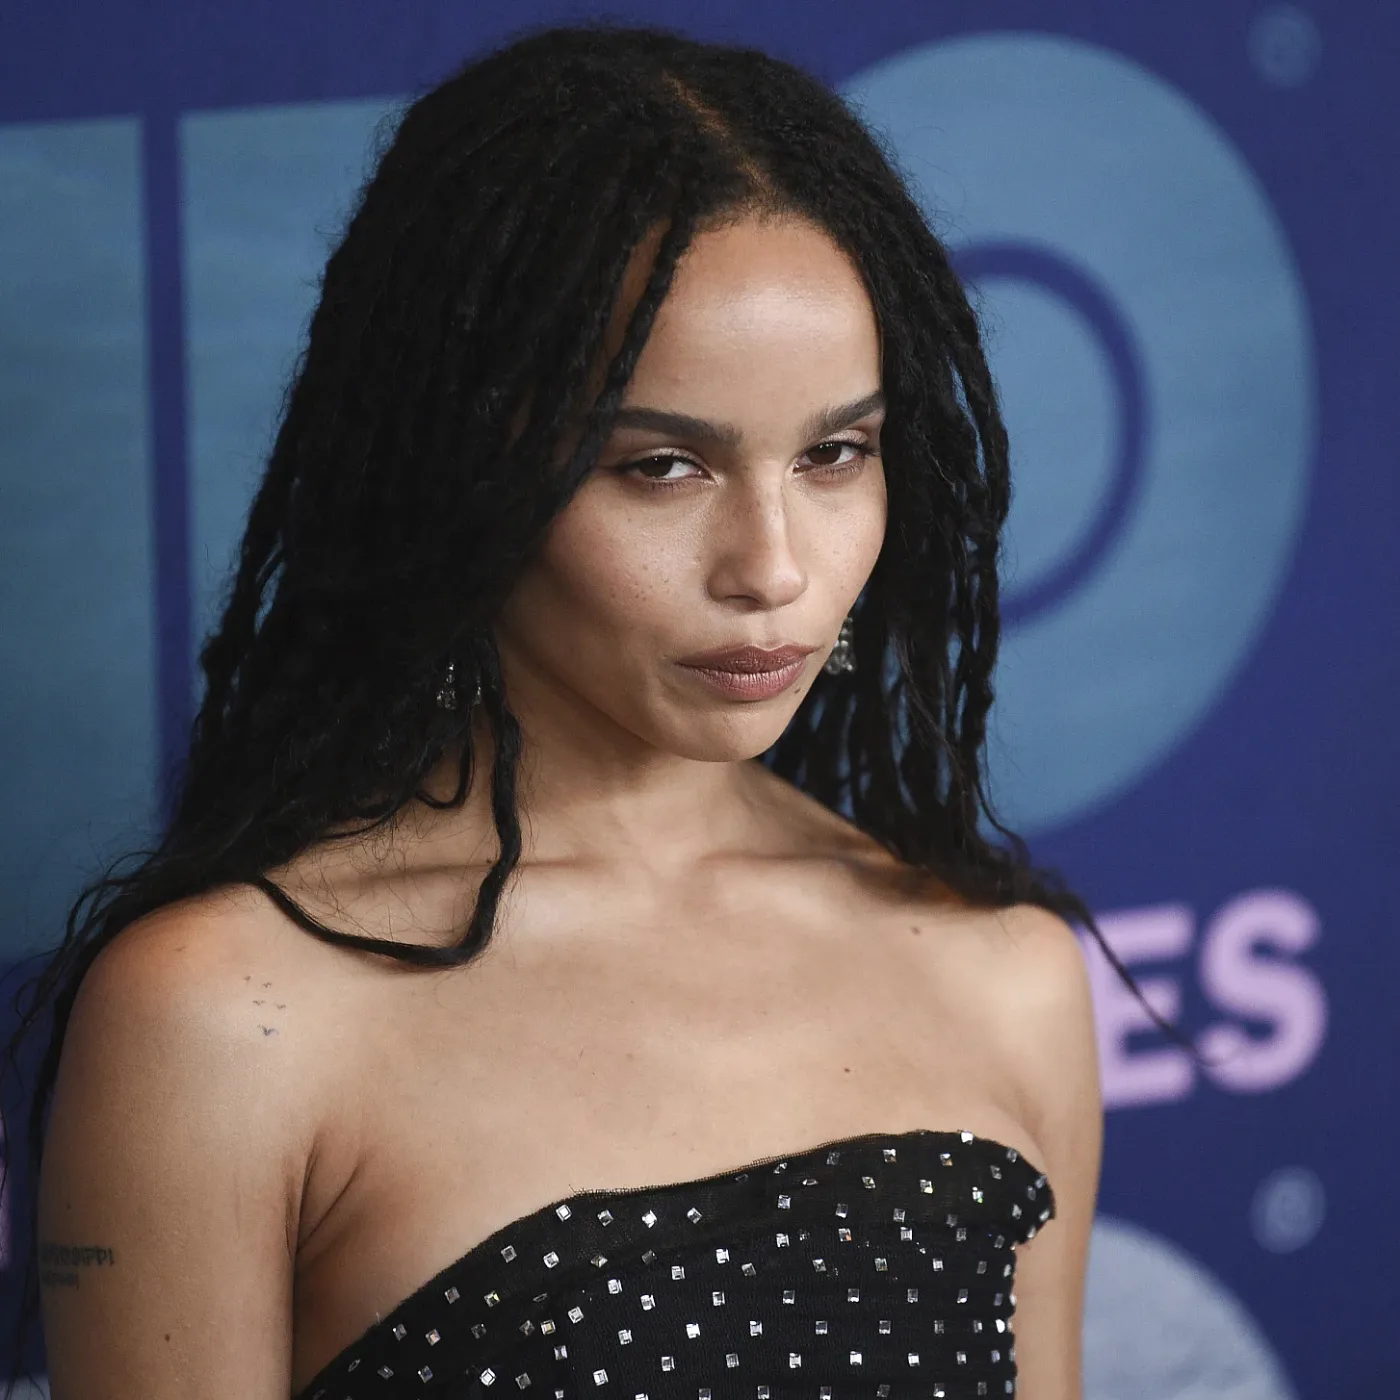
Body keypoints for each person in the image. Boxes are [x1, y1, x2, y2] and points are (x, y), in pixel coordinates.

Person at [2, 20, 1111, 1400]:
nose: (773, 568)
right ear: (466, 466)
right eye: (660, 467)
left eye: (836, 452)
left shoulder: (1006, 977)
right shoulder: (226, 1019)